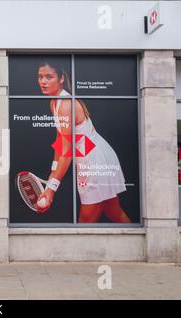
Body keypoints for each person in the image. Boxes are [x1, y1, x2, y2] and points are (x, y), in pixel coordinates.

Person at [35, 60, 131, 223]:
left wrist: (51, 188)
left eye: (49, 77)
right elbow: (60, 139)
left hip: (94, 160)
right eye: (40, 77)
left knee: (85, 222)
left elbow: (67, 152)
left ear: (61, 79)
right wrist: (53, 170)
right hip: (94, 155)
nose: (43, 81)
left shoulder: (65, 104)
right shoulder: (54, 102)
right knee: (114, 212)